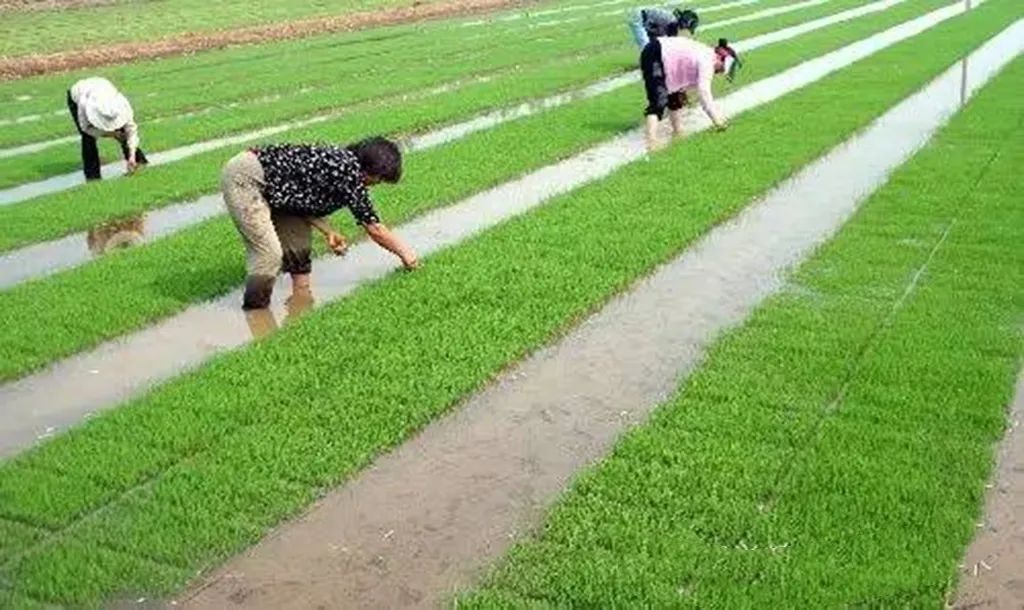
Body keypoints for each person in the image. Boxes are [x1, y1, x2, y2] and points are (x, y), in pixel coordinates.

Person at [220, 136, 419, 310]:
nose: (376, 183)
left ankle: (302, 298)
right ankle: (256, 312)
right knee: (269, 253)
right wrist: (406, 254)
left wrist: (328, 231)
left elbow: (304, 200)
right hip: (247, 177)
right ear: (370, 168)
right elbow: (374, 228)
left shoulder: (342, 166)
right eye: (379, 178)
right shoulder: (347, 168)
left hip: (280, 192)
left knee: (300, 247)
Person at [640, 36, 740, 150]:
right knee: (658, 101)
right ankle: (651, 142)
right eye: (721, 69)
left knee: (675, 98)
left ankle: (677, 131)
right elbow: (704, 92)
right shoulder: (707, 60)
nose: (719, 72)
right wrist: (717, 120)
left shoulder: (706, 56)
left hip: (666, 60)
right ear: (719, 57)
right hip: (655, 53)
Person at [67, 77, 147, 181]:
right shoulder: (83, 104)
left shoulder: (121, 104)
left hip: (103, 88)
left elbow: (131, 130)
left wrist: (131, 155)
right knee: (88, 139)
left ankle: (136, 161)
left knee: (123, 131)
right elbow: (86, 128)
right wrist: (112, 134)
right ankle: (93, 177)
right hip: (79, 95)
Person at [627, 7, 699, 49]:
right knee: (646, 47)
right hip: (639, 20)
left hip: (648, 24)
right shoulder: (669, 20)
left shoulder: (674, 24)